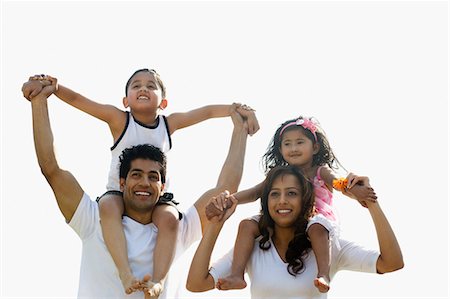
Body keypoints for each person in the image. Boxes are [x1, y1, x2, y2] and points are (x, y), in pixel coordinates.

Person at [22, 70, 259, 296]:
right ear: (124, 181)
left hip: (163, 213)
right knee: (109, 207)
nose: (144, 182)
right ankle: (124, 273)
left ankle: (158, 280)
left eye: (153, 177)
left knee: (169, 219)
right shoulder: (95, 220)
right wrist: (45, 95)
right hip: (111, 198)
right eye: (136, 175)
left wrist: (237, 121)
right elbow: (51, 168)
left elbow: (225, 189)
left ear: (163, 186)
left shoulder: (177, 228)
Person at [207, 115, 377, 293]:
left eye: (300, 142)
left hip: (316, 219)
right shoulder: (279, 176)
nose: (293, 148)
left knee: (317, 227)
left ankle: (323, 274)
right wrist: (230, 200)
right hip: (283, 219)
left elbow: (338, 184)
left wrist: (356, 193)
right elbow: (255, 193)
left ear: (315, 147)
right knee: (247, 224)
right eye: (287, 144)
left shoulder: (320, 171)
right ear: (280, 149)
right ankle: (236, 274)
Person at [186, 165, 404, 298]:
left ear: (305, 200)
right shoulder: (253, 245)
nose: (282, 201)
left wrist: (370, 202)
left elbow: (391, 262)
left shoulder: (325, 246)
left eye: (291, 193)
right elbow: (196, 284)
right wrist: (215, 225)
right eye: (274, 194)